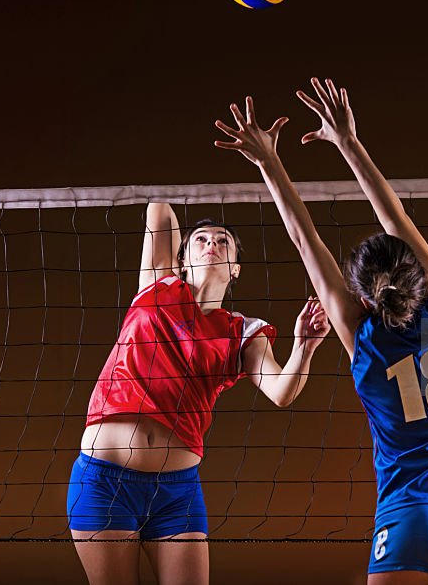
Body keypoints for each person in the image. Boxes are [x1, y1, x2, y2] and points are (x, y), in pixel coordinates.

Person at [213, 78, 428, 584]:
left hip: (408, 511)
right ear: (414, 272)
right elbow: (397, 219)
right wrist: (349, 141)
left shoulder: (362, 339)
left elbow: (305, 241)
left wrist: (269, 163)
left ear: (363, 297)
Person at [67, 203, 330, 585]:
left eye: (223, 241)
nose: (212, 244)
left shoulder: (242, 332)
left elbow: (280, 391)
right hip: (105, 482)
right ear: (182, 260)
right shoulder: (157, 286)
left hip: (177, 492)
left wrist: (303, 347)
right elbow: (159, 210)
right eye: (201, 239)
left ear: (235, 267)